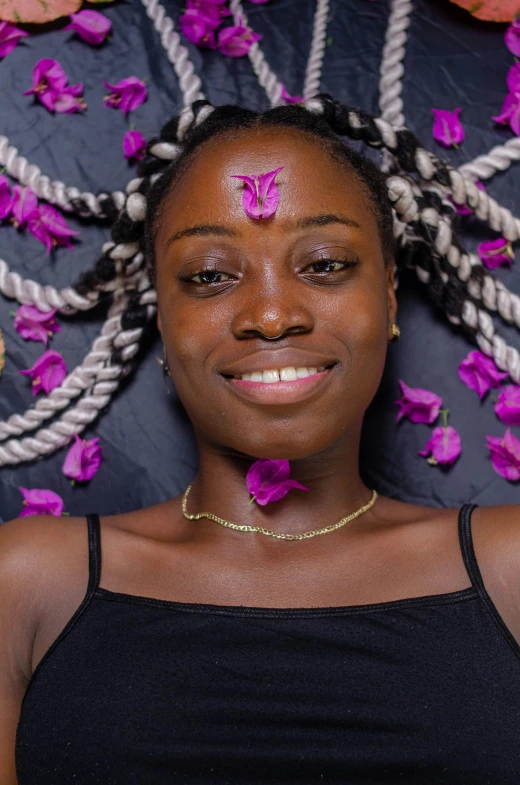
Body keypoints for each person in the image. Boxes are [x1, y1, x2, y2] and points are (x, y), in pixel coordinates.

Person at [2, 99, 520, 784]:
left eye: (327, 263)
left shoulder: (510, 570)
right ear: (162, 310)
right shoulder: (31, 582)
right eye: (210, 275)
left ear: (390, 296)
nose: (272, 313)